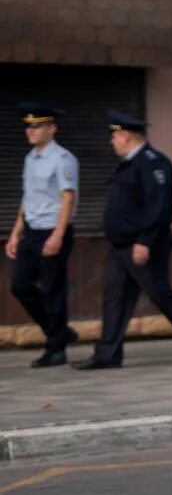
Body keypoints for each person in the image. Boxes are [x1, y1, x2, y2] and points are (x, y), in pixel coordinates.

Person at [74, 112, 172, 370]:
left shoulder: (153, 163)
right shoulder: (129, 164)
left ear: (125, 136)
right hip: (120, 245)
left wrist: (144, 240)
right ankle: (107, 354)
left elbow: (159, 207)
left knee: (160, 294)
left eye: (114, 136)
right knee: (114, 298)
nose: (112, 141)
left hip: (144, 244)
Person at [8, 102, 79, 366]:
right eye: (28, 127)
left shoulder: (63, 159)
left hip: (52, 229)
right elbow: (27, 198)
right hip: (32, 231)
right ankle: (59, 330)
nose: (31, 132)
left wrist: (57, 235)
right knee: (20, 285)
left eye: (37, 127)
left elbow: (67, 198)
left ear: (52, 128)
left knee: (52, 289)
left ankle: (56, 349)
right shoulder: (31, 158)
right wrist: (16, 233)